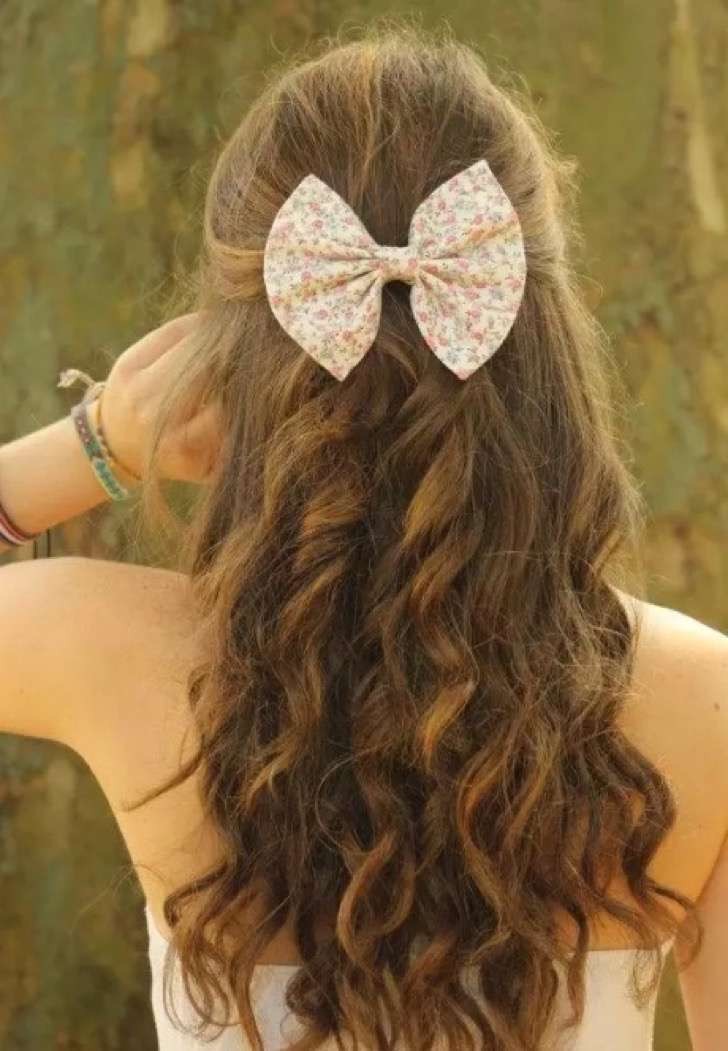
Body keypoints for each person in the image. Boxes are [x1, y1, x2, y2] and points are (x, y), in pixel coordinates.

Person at [0, 20, 726, 1051]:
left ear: (233, 349)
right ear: (546, 339)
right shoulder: (706, 701)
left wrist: (101, 444)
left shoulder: (114, 648)